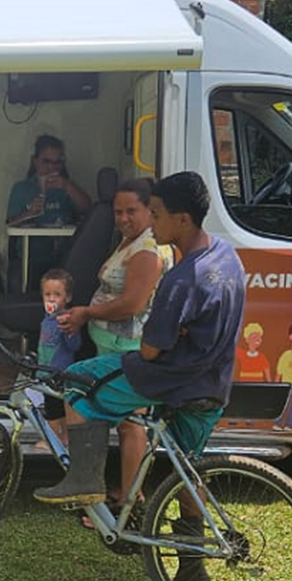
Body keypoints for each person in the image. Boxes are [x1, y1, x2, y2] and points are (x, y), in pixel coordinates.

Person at [34, 172, 244, 581]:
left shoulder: (182, 279)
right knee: (187, 469)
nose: (152, 223)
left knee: (78, 383)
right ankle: (191, 566)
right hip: (212, 384)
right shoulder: (226, 256)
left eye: (158, 215)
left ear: (182, 219)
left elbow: (149, 351)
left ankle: (85, 479)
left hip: (170, 380)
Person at [55, 178, 173, 512]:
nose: (122, 218)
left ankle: (126, 499)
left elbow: (132, 304)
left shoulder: (147, 251)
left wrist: (85, 313)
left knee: (129, 423)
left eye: (131, 211)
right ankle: (124, 494)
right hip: (115, 344)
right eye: (118, 212)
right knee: (125, 422)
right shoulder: (131, 241)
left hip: (129, 348)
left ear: (150, 210)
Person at [4, 134, 92, 291]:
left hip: (63, 257)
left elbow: (88, 209)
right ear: (35, 161)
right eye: (46, 162)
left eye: (57, 163)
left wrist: (67, 186)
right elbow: (11, 223)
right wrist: (30, 213)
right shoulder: (22, 188)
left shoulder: (67, 188)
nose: (52, 168)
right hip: (31, 258)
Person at [29, 268, 82, 450]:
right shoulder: (47, 318)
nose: (51, 299)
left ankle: (53, 440)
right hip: (46, 370)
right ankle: (63, 437)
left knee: (54, 408)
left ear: (67, 298)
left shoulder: (66, 319)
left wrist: (69, 332)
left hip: (59, 373)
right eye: (47, 294)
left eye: (57, 295)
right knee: (55, 405)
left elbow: (75, 346)